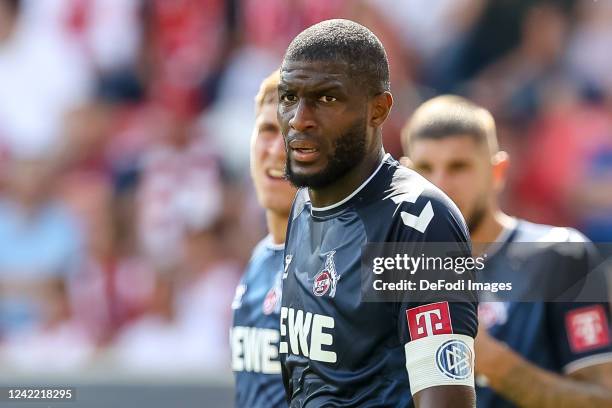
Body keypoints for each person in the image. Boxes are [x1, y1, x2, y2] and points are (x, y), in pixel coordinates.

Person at [278, 20, 478, 407]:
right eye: (289, 96)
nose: (299, 118)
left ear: (378, 109)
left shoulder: (418, 223)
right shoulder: (304, 207)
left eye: (327, 99)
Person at [401, 95, 612, 407]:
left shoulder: (561, 255)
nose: (440, 184)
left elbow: (604, 399)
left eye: (459, 167)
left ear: (497, 171)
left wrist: (494, 363)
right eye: (425, 168)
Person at [230, 70, 296, 408]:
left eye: (291, 134)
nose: (277, 150)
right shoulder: (259, 261)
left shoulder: (355, 256)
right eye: (268, 130)